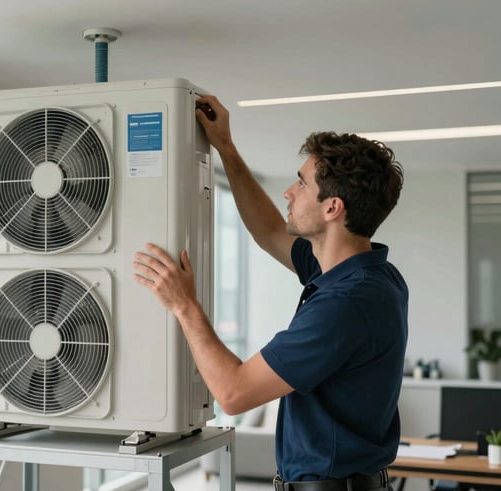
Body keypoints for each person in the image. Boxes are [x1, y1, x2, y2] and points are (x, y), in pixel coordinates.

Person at [133, 95, 407, 490]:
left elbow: (233, 392)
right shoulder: (368, 275)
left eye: (301, 183)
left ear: (332, 208)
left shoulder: (346, 303)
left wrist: (184, 304)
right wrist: (225, 147)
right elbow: (270, 231)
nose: (288, 194)